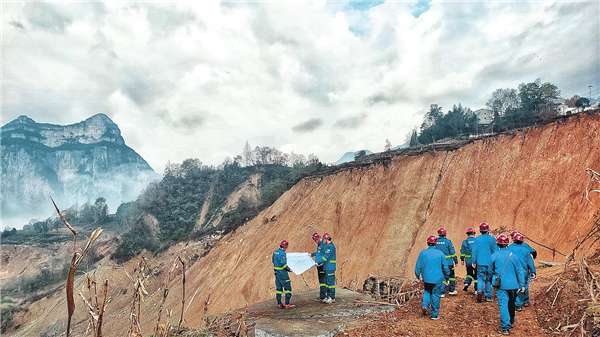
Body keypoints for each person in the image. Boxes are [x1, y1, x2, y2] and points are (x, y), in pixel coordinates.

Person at [491, 234, 525, 335]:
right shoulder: (513, 256)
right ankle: (512, 319)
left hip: (501, 285)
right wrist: (522, 285)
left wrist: (491, 279)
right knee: (511, 303)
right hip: (514, 285)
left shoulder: (494, 255)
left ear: (498, 244)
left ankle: (505, 328)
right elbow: (520, 271)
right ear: (507, 244)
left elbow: (489, 268)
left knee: (503, 305)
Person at [415, 235, 450, 320]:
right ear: (436, 244)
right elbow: (445, 267)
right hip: (438, 279)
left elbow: (418, 265)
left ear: (428, 243)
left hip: (426, 278)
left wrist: (417, 276)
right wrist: (447, 277)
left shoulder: (423, 253)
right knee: (436, 295)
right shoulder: (440, 253)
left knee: (427, 291)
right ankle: (434, 315)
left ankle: (425, 305)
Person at [471, 222, 498, 303]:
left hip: (480, 263)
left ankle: (479, 290)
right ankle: (488, 296)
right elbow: (495, 252)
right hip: (490, 263)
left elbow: (474, 251)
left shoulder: (477, 239)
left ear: (480, 230)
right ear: (488, 230)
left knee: (480, 278)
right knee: (488, 280)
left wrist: (473, 261)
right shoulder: (492, 239)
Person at [509, 233, 536, 310]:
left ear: (514, 240)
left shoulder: (510, 248)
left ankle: (515, 302)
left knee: (513, 286)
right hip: (523, 271)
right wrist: (533, 271)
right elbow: (530, 262)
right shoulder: (525, 250)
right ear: (522, 241)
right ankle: (521, 303)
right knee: (523, 287)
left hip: (512, 270)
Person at [435, 227, 458, 296]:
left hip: (439, 263)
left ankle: (442, 292)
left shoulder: (435, 242)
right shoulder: (448, 242)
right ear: (445, 234)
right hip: (449, 263)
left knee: (441, 277)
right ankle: (451, 290)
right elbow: (452, 253)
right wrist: (456, 261)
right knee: (451, 276)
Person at [272, 240, 294, 308]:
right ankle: (287, 303)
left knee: (279, 289)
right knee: (288, 288)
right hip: (282, 273)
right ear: (285, 247)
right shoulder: (283, 253)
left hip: (277, 273)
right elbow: (283, 264)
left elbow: (273, 261)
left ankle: (279, 303)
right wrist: (288, 269)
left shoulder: (275, 252)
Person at [315, 233, 336, 304]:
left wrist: (318, 262)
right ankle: (328, 296)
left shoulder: (331, 247)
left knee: (331, 283)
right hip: (327, 267)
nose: (323, 241)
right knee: (327, 283)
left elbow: (325, 256)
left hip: (330, 267)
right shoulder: (328, 246)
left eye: (324, 239)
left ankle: (332, 297)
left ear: (326, 239)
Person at [310, 232, 327, 301]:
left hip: (322, 265)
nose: (315, 241)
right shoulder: (320, 245)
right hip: (319, 265)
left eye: (315, 240)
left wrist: (319, 262)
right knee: (321, 280)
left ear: (319, 238)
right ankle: (322, 295)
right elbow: (318, 253)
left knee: (323, 280)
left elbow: (324, 255)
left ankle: (324, 296)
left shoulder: (323, 245)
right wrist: (312, 254)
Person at [460, 227, 478, 292]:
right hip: (476, 260)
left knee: (469, 273)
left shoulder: (465, 242)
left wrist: (462, 260)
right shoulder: (477, 241)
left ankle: (467, 284)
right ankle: (476, 289)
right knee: (476, 274)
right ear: (474, 233)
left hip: (468, 261)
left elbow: (462, 252)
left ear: (467, 234)